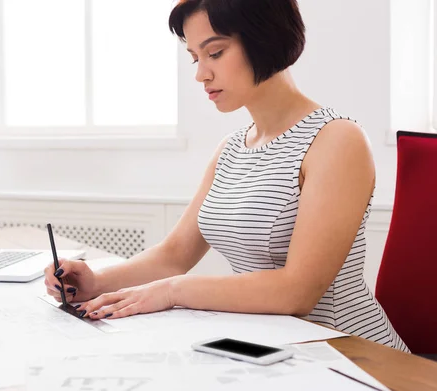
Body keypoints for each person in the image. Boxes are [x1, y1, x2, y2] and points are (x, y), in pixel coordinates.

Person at [44, 0, 409, 352]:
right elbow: (174, 254)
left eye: (215, 53)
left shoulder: (337, 140)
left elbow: (297, 292)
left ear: (264, 38)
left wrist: (173, 291)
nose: (201, 73)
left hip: (353, 355)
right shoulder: (232, 148)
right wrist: (96, 281)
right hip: (274, 348)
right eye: (194, 58)